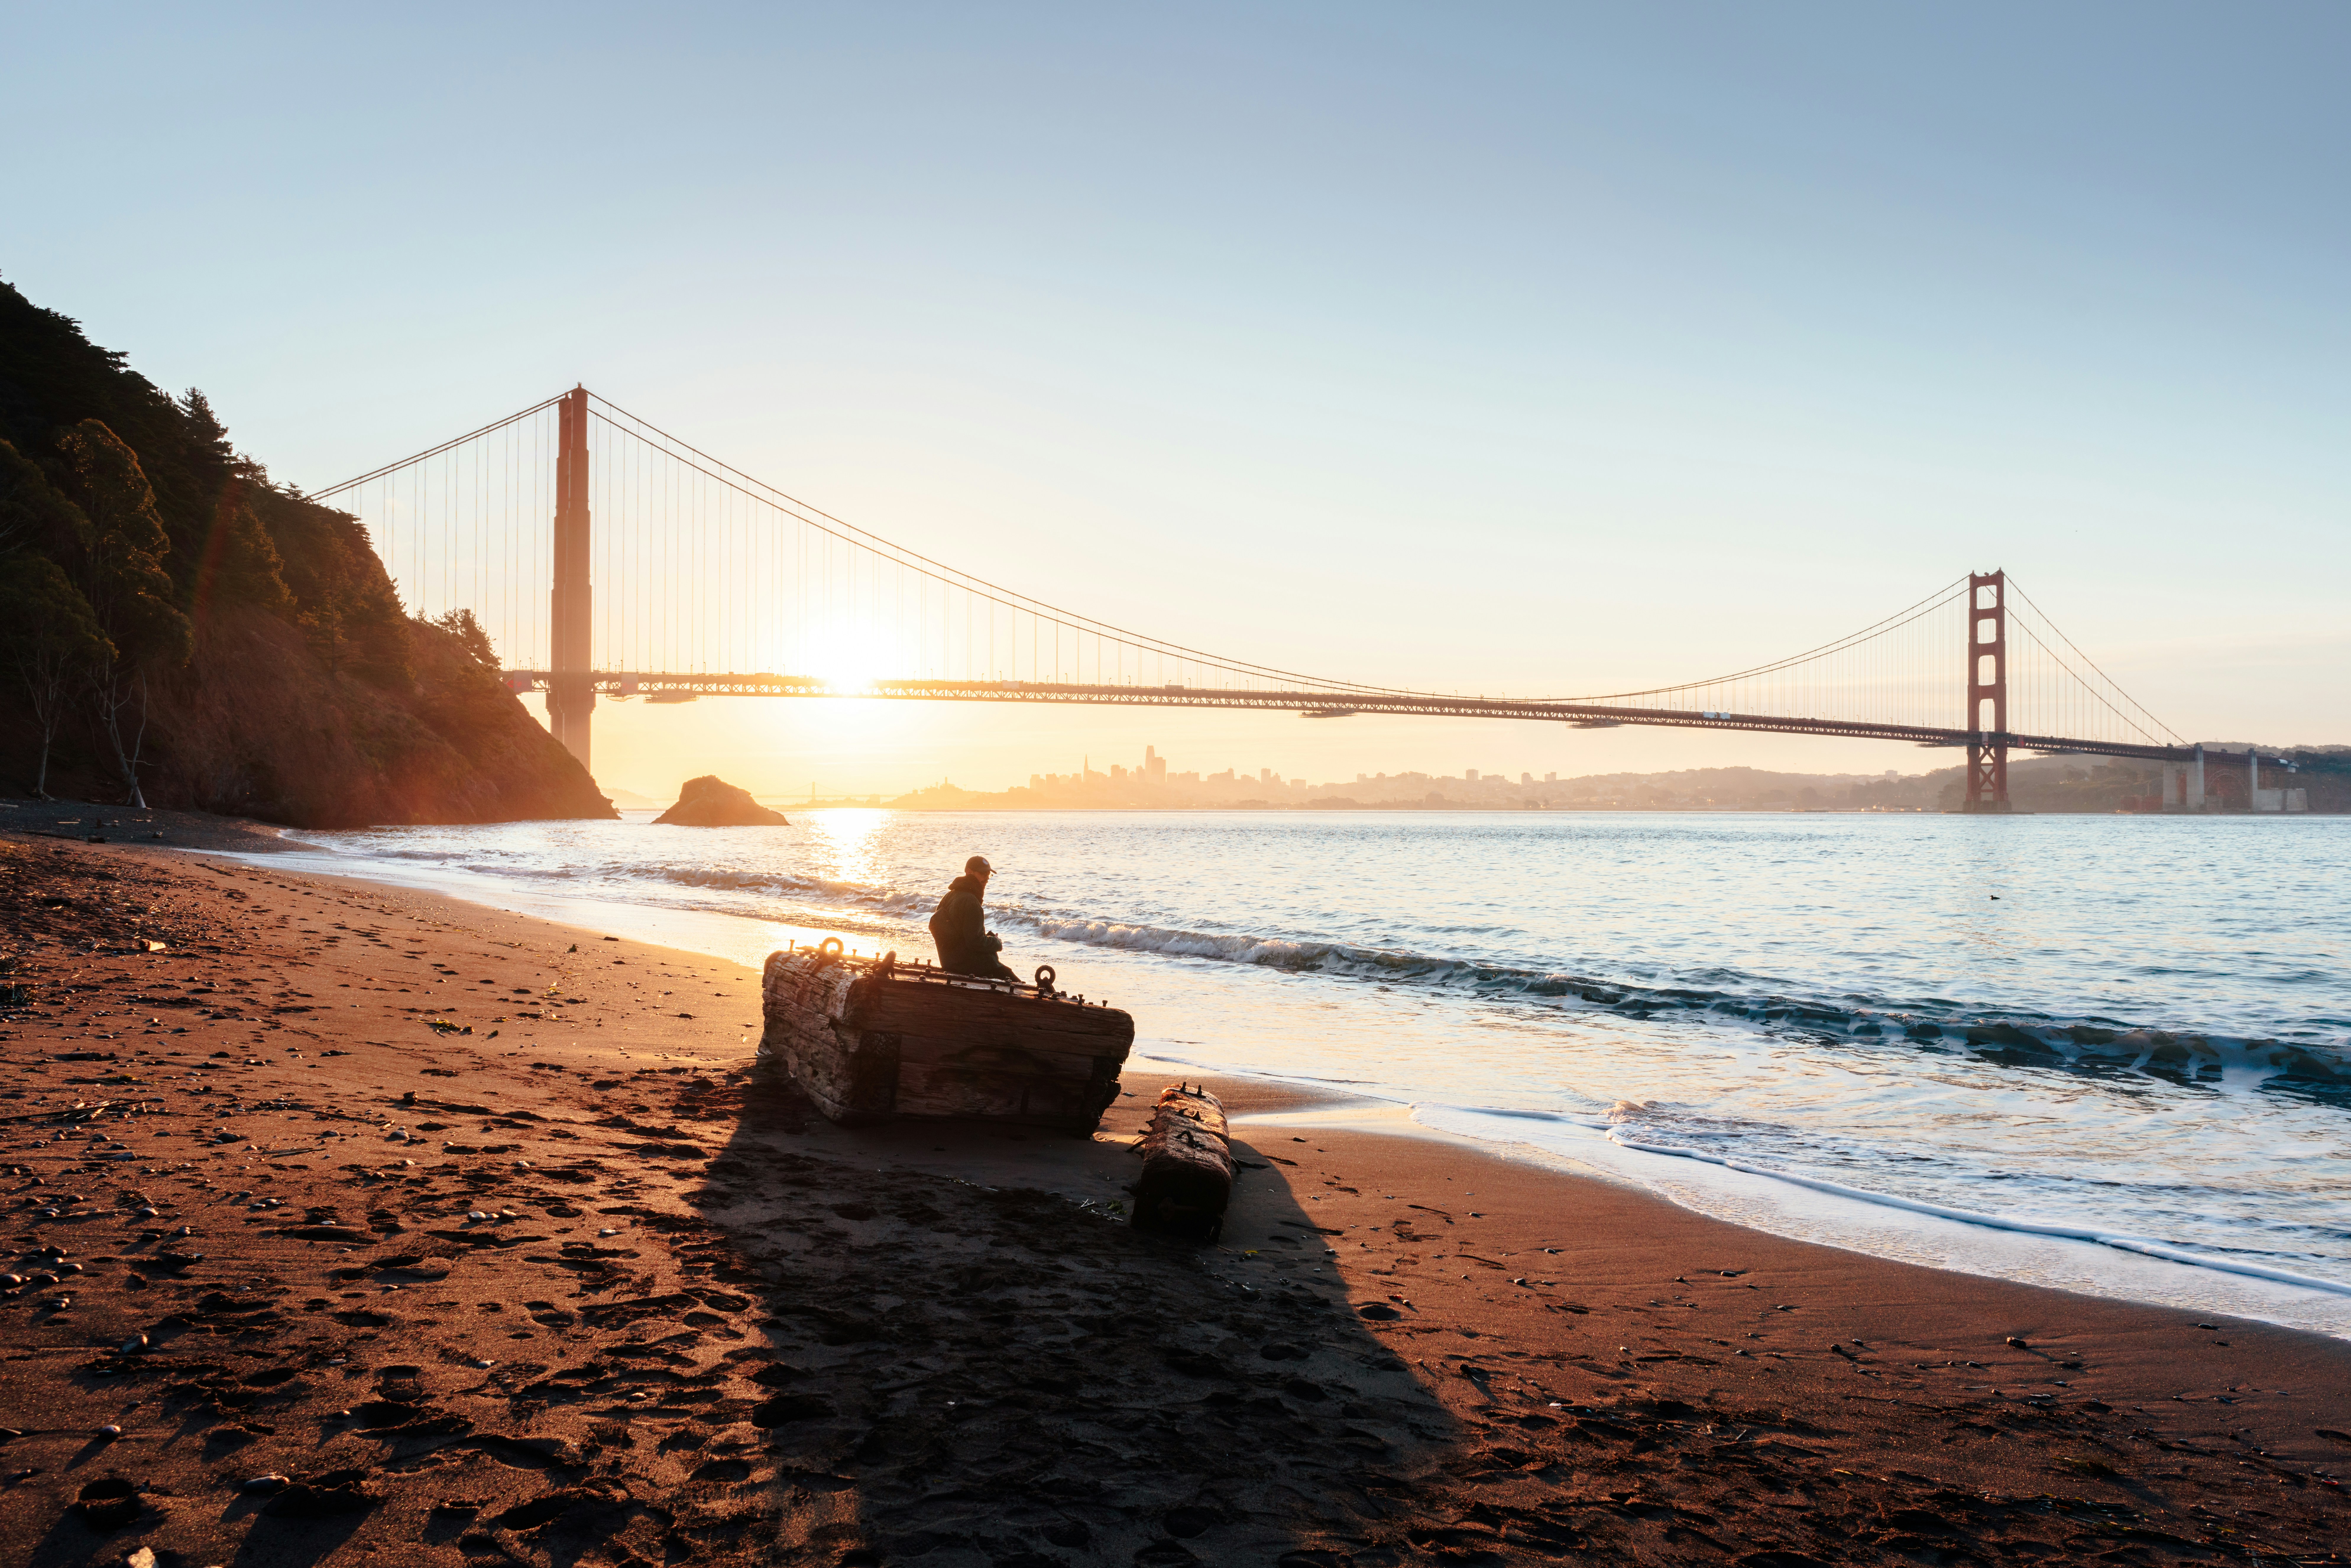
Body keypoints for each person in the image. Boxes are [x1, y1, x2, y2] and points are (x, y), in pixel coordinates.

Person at [929, 854, 1018, 981]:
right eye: (983, 874)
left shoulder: (949, 896)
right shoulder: (971, 902)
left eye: (988, 875)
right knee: (1014, 980)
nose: (986, 879)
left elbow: (955, 933)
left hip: (950, 962)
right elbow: (976, 943)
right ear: (969, 872)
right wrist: (997, 943)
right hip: (973, 965)